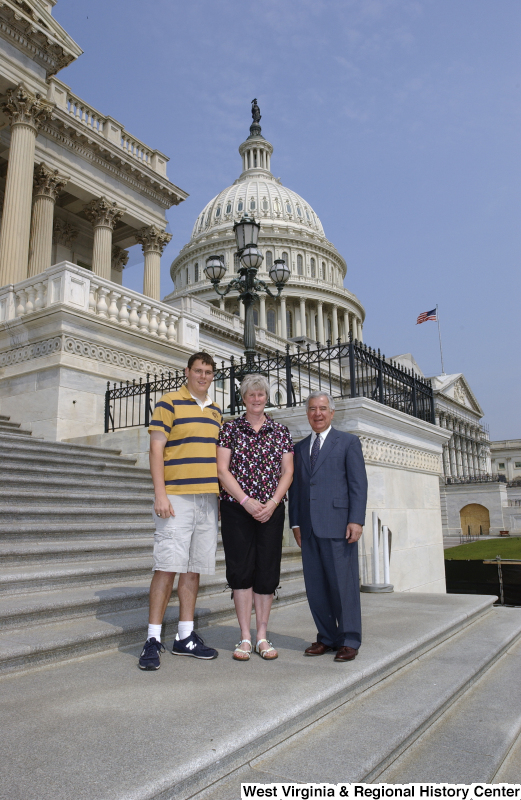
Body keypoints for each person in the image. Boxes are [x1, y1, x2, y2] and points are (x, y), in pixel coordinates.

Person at [138, 352, 222, 670]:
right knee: (167, 566)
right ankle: (153, 638)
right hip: (176, 497)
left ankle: (184, 636)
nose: (203, 376)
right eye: (198, 370)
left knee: (193, 568)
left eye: (208, 372)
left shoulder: (216, 412)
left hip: (206, 498)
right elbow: (156, 447)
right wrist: (160, 493)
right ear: (187, 372)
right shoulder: (169, 402)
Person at [217, 374, 294, 661]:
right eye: (251, 394)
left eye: (261, 394)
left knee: (266, 571)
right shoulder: (230, 430)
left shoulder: (280, 431)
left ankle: (262, 635)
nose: (256, 399)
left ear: (266, 397)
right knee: (240, 571)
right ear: (244, 398)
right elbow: (222, 470)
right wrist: (247, 501)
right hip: (238, 509)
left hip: (271, 510)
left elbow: (288, 471)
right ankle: (245, 637)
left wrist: (272, 502)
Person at [289, 391, 367, 662]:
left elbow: (358, 485)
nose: (317, 413)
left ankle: (349, 639)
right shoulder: (298, 449)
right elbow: (297, 490)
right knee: (316, 586)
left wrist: (356, 520)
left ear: (332, 413)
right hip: (309, 528)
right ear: (307, 413)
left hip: (339, 526)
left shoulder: (348, 443)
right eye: (312, 409)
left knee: (343, 586)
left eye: (322, 408)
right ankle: (326, 637)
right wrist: (295, 523)